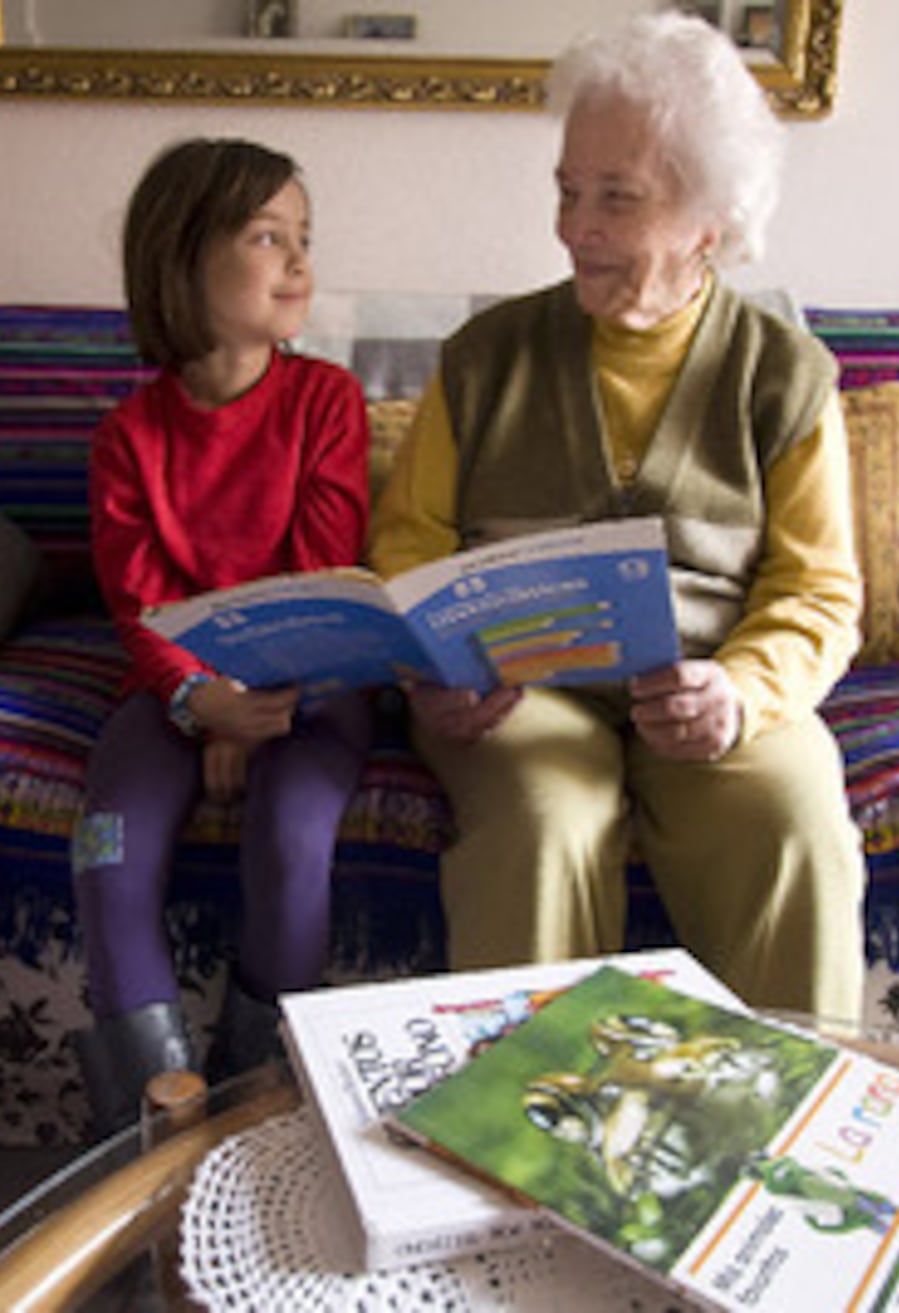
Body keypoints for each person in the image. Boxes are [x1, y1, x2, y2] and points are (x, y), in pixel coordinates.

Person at [368, 12, 866, 1020]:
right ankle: (521, 1127)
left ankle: (792, 1113)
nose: (574, 227)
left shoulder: (784, 375)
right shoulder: (484, 357)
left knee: (794, 813)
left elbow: (817, 586)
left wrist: (739, 688)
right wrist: (435, 667)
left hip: (708, 687)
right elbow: (408, 543)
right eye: (566, 190)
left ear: (706, 220)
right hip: (520, 691)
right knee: (542, 820)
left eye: (615, 199)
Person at [70, 137, 374, 1132]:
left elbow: (321, 582)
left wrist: (252, 721)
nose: (299, 262)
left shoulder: (324, 402)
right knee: (107, 851)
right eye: (267, 237)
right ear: (184, 255)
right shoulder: (128, 434)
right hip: (170, 696)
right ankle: (152, 1139)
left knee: (290, 839)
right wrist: (205, 708)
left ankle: (251, 1107)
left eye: (304, 239)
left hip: (312, 692)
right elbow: (140, 608)